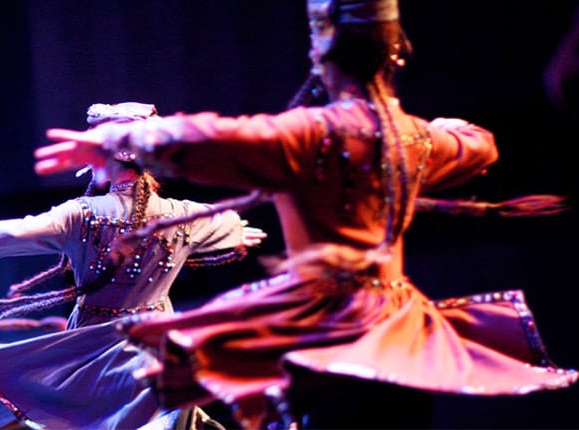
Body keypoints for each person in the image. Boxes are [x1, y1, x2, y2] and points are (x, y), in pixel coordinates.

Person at [32, 1, 579, 428]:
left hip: (324, 327)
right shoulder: (412, 139)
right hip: (404, 330)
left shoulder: (311, 135)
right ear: (393, 51)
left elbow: (216, 138)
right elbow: (479, 146)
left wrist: (118, 140)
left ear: (323, 48)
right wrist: (437, 128)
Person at [0, 102, 267, 430]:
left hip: (93, 346)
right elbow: (228, 223)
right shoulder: (183, 214)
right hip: (157, 343)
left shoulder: (83, 214)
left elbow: (18, 231)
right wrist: (234, 231)